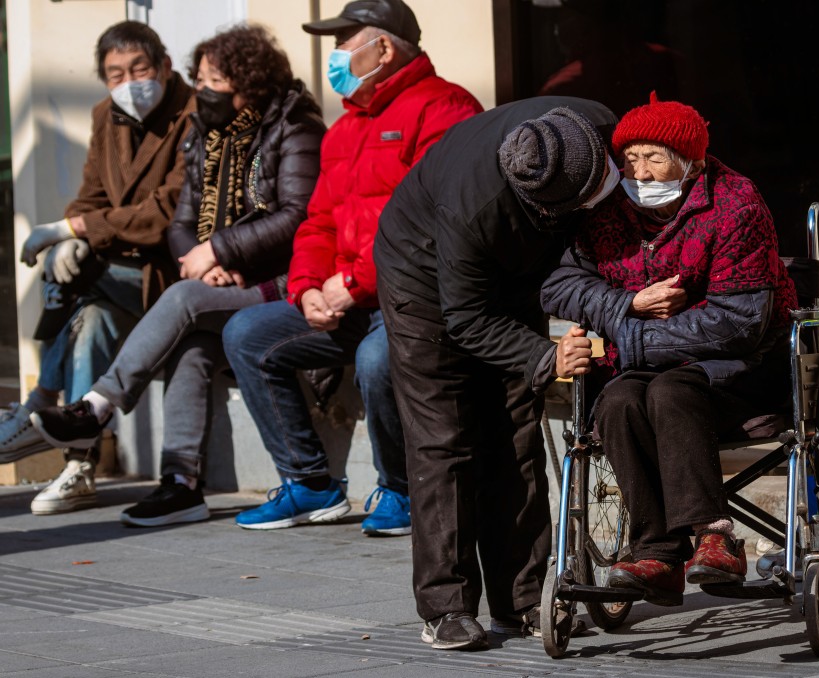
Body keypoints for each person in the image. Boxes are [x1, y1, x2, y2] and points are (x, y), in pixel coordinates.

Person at [30, 25, 326, 527]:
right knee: (189, 346)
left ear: (248, 83)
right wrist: (202, 257)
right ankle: (181, 484)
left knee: (183, 301)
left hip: (282, 283)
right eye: (201, 78)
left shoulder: (295, 127)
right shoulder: (207, 137)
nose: (203, 91)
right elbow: (182, 222)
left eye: (214, 80)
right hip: (222, 281)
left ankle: (95, 408)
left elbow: (297, 215)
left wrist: (220, 250)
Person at [220, 0, 482, 534]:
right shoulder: (345, 128)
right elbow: (316, 222)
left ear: (382, 48)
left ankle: (403, 488)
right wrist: (308, 288)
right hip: (349, 298)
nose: (334, 55)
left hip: (417, 300)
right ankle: (309, 483)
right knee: (248, 331)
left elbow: (439, 224)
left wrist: (357, 283)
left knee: (375, 358)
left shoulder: (446, 108)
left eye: (344, 42)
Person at [374, 97, 618, 650]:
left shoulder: (598, 122)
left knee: (516, 429)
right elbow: (465, 317)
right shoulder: (475, 209)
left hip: (512, 271)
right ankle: (447, 607)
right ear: (542, 206)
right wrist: (544, 357)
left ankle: (525, 599)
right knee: (445, 438)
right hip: (422, 271)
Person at [541, 93, 798, 607]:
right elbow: (559, 285)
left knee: (671, 390)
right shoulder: (608, 210)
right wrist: (626, 304)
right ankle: (658, 551)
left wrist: (632, 339)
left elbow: (740, 321)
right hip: (644, 368)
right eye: (630, 158)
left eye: (654, 157)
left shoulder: (735, 204)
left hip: (740, 373)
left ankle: (714, 535)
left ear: (692, 162)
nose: (640, 171)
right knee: (615, 402)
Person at [0, 21, 193, 514]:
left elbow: (164, 212)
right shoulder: (105, 115)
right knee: (89, 320)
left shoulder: (193, 114)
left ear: (165, 67)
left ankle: (38, 403)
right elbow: (91, 194)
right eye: (114, 74)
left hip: (172, 274)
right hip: (118, 274)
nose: (129, 82)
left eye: (139, 69)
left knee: (77, 275)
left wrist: (75, 232)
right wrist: (74, 229)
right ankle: (79, 466)